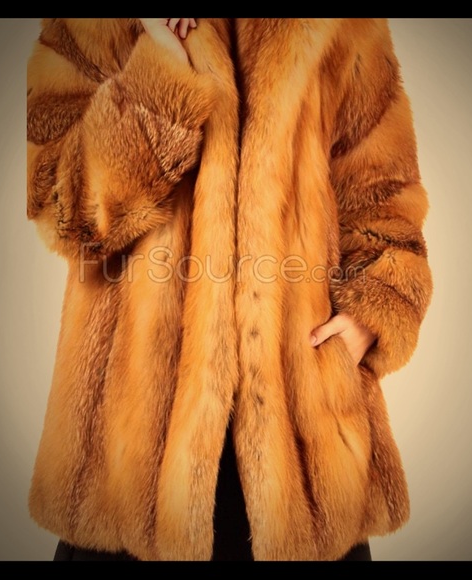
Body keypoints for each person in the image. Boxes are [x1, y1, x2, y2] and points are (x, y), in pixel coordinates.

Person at [26, 18, 433, 561]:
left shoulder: (344, 25)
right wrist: (160, 73)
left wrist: (373, 311)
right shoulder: (93, 25)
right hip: (129, 456)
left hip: (303, 449)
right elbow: (62, 208)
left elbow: (383, 196)